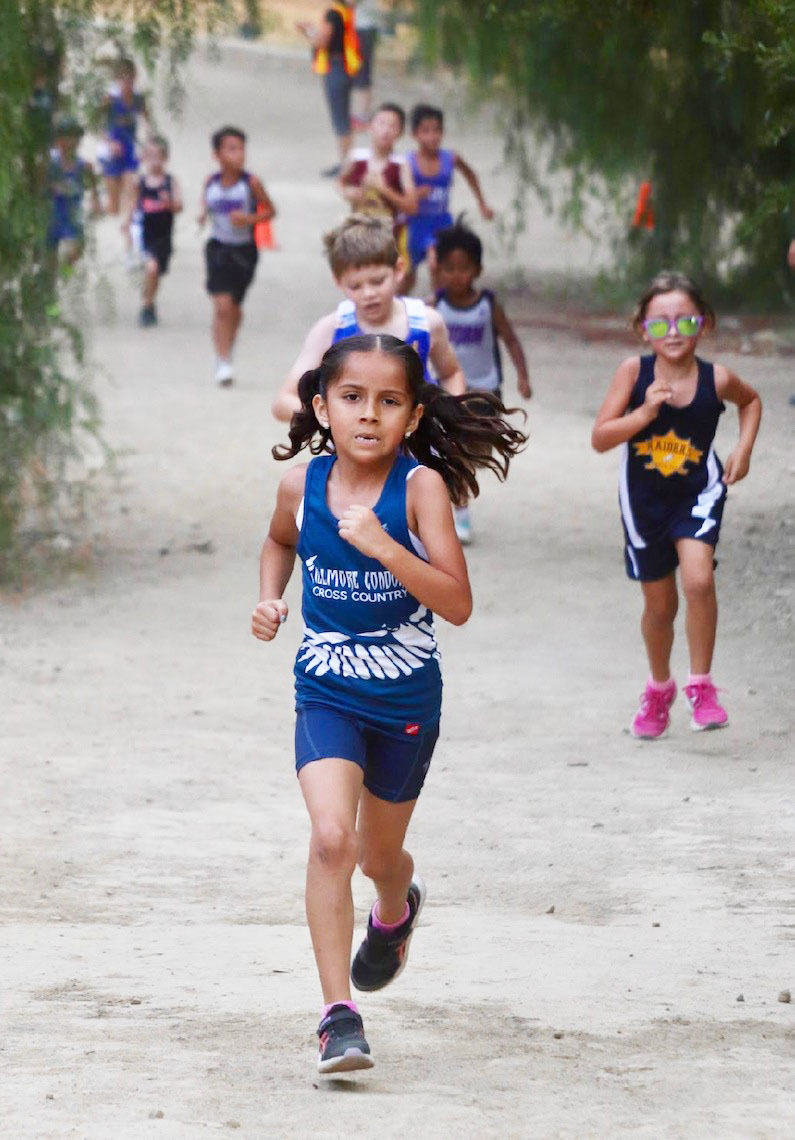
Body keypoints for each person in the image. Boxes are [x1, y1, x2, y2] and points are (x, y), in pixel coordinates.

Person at [252, 333, 526, 1073]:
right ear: (321, 406)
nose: (367, 415)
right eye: (351, 398)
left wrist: (385, 548)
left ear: (410, 417)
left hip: (405, 694)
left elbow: (457, 604)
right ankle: (338, 1017)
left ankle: (396, 908)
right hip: (327, 686)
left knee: (378, 856)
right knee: (332, 840)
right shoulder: (299, 485)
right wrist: (270, 600)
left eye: (388, 401)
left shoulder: (420, 490)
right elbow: (279, 541)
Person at [591, 271, 762, 739]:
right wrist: (643, 413)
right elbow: (600, 439)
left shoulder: (717, 377)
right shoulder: (634, 373)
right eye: (660, 323)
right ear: (642, 328)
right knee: (660, 607)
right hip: (643, 502)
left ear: (703, 324)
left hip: (698, 493)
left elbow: (751, 402)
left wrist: (742, 450)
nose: (673, 333)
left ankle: (701, 685)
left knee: (699, 578)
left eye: (685, 322)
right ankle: (659, 687)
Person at [271, 215, 465, 422]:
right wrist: (335, 418)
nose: (368, 293)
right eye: (355, 286)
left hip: (420, 448)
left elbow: (451, 374)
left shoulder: (427, 323)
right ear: (338, 282)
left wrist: (454, 420)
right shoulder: (331, 330)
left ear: (398, 270)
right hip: (352, 449)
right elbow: (284, 400)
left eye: (377, 281)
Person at [431, 219, 532, 543]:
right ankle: (459, 511)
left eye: (464, 268)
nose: (456, 275)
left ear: (477, 269)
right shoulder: (436, 308)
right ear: (439, 270)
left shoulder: (488, 305)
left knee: (475, 452)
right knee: (454, 451)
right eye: (449, 268)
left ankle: (458, 493)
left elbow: (511, 340)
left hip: (485, 392)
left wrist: (523, 377)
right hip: (448, 392)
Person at [197, 126, 276, 386]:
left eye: (241, 148)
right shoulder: (210, 182)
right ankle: (222, 361)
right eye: (231, 148)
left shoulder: (251, 183)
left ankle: (227, 349)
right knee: (222, 307)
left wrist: (249, 218)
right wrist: (201, 215)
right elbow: (205, 205)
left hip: (244, 252)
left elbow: (270, 211)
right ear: (217, 154)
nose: (238, 154)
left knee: (235, 309)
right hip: (218, 249)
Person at [403, 103, 495, 293]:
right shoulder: (408, 162)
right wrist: (415, 195)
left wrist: (482, 204)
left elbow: (471, 174)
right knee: (407, 277)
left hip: (442, 224)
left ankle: (439, 307)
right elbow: (400, 192)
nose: (432, 136)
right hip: (415, 224)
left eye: (437, 130)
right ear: (414, 134)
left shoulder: (450, 158)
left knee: (436, 264)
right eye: (425, 131)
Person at [339, 102, 417, 264]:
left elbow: (412, 207)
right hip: (358, 235)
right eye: (381, 123)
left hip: (390, 238)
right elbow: (340, 182)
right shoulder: (356, 157)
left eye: (393, 126)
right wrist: (348, 193)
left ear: (400, 133)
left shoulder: (401, 164)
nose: (386, 130)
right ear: (370, 126)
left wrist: (383, 189)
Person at [297, 2, 362, 177]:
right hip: (344, 67)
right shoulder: (345, 12)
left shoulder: (333, 13)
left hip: (335, 67)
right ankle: (346, 162)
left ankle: (345, 165)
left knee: (340, 119)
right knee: (343, 118)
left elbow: (322, 41)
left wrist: (308, 31)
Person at [124, 136, 182, 327]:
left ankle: (150, 299)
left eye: (157, 156)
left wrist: (169, 203)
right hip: (145, 232)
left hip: (163, 234)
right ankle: (146, 306)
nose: (153, 161)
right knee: (151, 267)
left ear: (165, 158)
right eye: (149, 156)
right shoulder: (140, 182)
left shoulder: (170, 182)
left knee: (156, 272)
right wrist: (127, 225)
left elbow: (179, 206)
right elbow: (133, 204)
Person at [98, 59, 147, 234]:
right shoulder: (110, 100)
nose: (128, 83)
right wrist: (109, 143)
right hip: (112, 152)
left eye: (131, 79)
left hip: (129, 150)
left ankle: (128, 226)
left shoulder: (139, 100)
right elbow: (99, 126)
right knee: (113, 207)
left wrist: (146, 146)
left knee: (132, 186)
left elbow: (147, 123)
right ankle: (96, 210)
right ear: (117, 80)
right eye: (124, 79)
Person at [47, 115, 101, 272]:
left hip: (72, 214)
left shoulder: (83, 165)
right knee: (49, 253)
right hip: (53, 214)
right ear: (58, 141)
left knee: (77, 248)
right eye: (66, 137)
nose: (71, 143)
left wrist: (95, 198)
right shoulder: (51, 163)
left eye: (74, 138)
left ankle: (64, 274)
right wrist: (54, 187)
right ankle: (51, 280)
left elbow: (92, 180)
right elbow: (40, 183)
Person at [351, 2, 383, 129]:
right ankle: (362, 112)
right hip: (362, 27)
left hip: (364, 27)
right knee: (361, 71)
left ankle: (363, 114)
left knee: (362, 71)